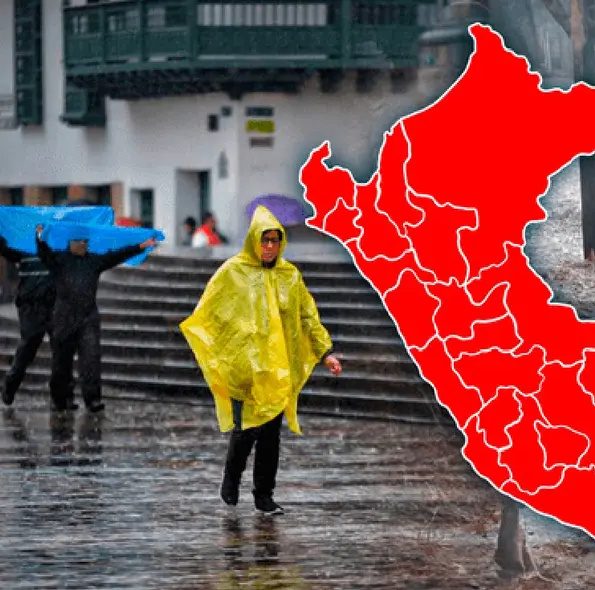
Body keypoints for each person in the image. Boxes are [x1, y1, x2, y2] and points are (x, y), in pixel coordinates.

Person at [180, 206, 343, 515]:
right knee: (245, 431)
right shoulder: (233, 271)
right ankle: (231, 478)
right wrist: (229, 346)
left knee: (270, 435)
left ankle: (264, 495)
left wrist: (326, 352)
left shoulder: (289, 276)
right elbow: (210, 310)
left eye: (274, 241)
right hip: (244, 369)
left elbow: (307, 316)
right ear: (254, 240)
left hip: (276, 370)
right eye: (264, 240)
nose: (269, 246)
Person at [35, 225, 159, 412]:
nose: (84, 244)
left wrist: (140, 246)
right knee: (61, 361)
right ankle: (60, 398)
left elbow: (117, 255)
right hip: (64, 319)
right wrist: (39, 236)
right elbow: (44, 254)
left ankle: (92, 399)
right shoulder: (59, 259)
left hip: (88, 319)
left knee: (91, 359)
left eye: (86, 241)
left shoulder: (93, 260)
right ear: (71, 243)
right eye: (80, 241)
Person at [0, 235, 56, 407]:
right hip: (31, 305)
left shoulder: (57, 248)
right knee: (28, 347)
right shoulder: (22, 247)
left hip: (55, 303)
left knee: (61, 350)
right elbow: (5, 250)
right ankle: (10, 385)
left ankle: (62, 397)